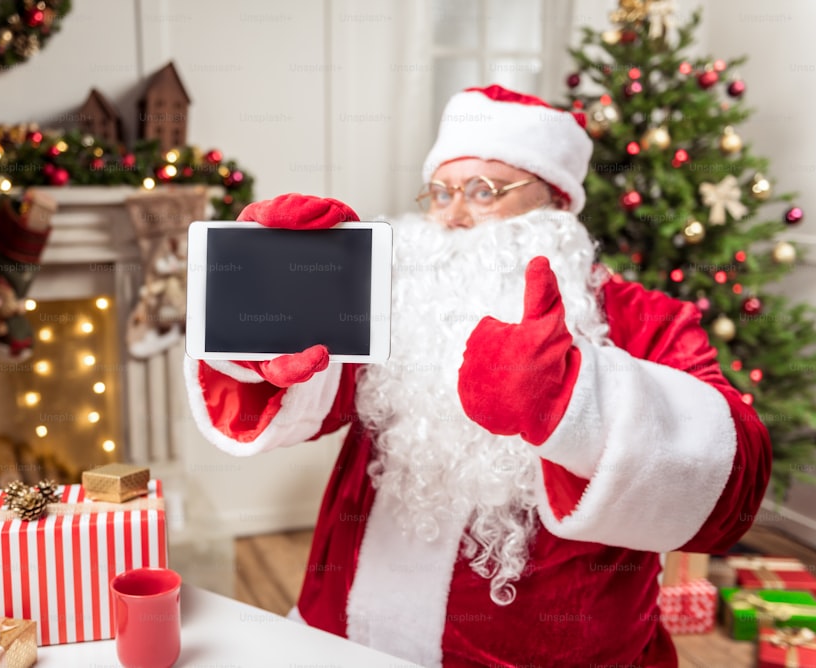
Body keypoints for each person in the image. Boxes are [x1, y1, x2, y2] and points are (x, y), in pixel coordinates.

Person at [183, 85, 771, 667]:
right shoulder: (395, 298)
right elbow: (308, 392)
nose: (455, 216)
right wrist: (270, 316)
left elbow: (733, 484)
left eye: (483, 191)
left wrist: (577, 400)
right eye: (440, 192)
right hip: (346, 641)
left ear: (557, 205)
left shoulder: (642, 318)